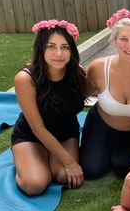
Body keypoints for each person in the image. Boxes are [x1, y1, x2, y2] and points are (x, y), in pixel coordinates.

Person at [80, 9, 130, 179]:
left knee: (124, 168)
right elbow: (80, 95)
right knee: (91, 170)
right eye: (123, 39)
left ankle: (116, 154)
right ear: (114, 41)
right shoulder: (99, 68)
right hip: (101, 124)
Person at [11, 19, 87, 195]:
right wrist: (70, 162)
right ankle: (29, 159)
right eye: (51, 46)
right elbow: (38, 128)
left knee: (64, 177)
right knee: (35, 184)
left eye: (65, 47)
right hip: (32, 135)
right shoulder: (25, 79)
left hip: (66, 134)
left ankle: (47, 158)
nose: (59, 53)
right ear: (41, 48)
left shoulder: (78, 73)